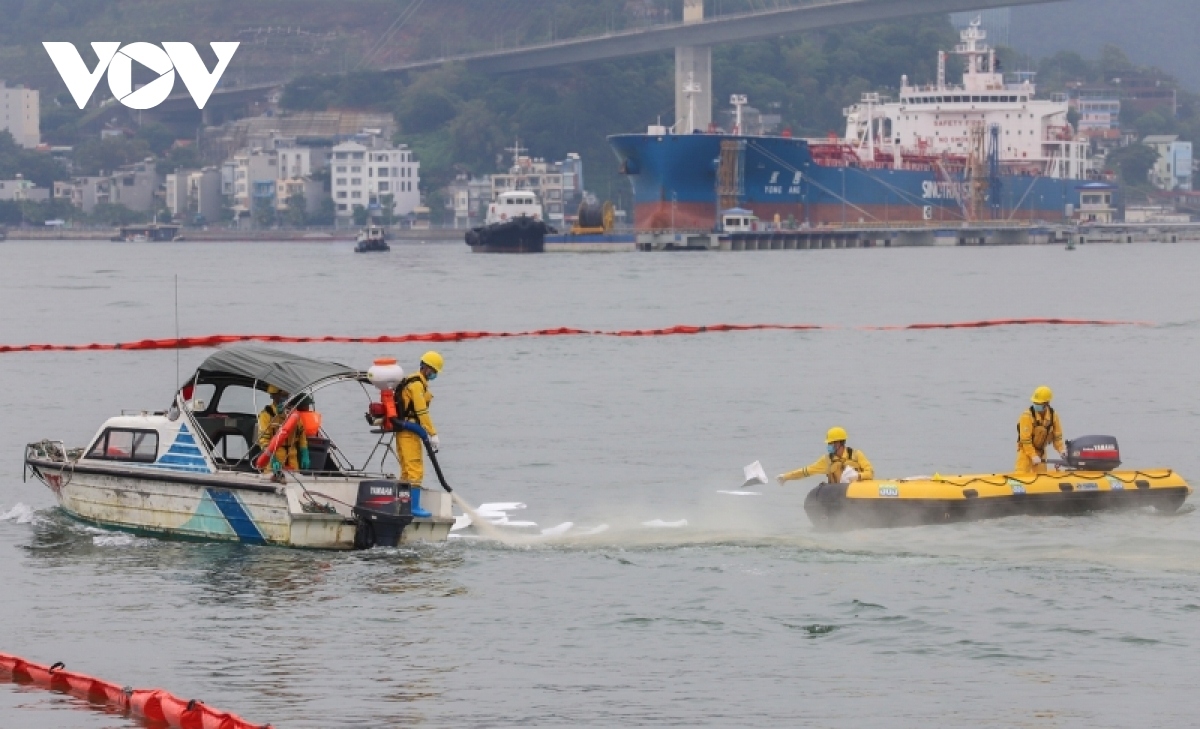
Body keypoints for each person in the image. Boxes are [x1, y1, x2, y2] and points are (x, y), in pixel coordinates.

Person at [394, 351, 443, 486]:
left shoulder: (416, 381)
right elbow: (421, 411)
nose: (435, 374)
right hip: (409, 432)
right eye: (434, 371)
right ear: (426, 368)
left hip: (405, 431)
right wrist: (433, 433)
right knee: (415, 471)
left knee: (406, 471)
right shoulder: (416, 385)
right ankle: (413, 506)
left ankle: (404, 502)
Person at [777, 427, 874, 485]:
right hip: (839, 494)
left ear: (839, 443)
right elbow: (807, 471)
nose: (829, 446)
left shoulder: (856, 454)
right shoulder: (827, 460)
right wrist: (786, 477)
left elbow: (870, 473)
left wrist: (858, 476)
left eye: (831, 443)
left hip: (859, 489)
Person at [257, 384, 309, 478]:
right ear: (273, 395)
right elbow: (263, 441)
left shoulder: (294, 414)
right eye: (282, 394)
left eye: (286, 395)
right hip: (273, 465)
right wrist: (273, 459)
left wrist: (305, 454)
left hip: (293, 464)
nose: (285, 398)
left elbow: (302, 437)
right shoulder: (266, 415)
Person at [1016, 386, 1064, 473]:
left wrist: (1061, 450)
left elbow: (1057, 437)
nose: (1036, 405)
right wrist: (1033, 455)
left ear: (1047, 403)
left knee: (1042, 476)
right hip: (1026, 452)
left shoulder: (1053, 416)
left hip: (1041, 451)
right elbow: (1025, 440)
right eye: (1035, 403)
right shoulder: (1027, 416)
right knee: (1021, 474)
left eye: (1039, 403)